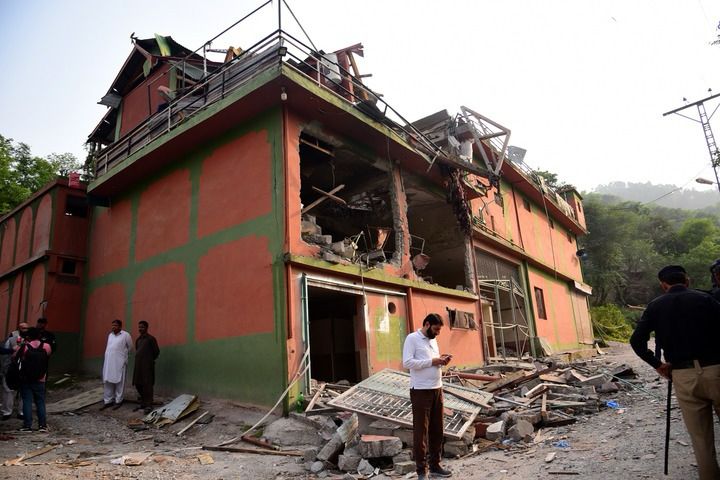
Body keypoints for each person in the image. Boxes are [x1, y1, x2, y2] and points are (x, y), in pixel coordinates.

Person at [630, 265, 720, 480]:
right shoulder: (706, 300)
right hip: (717, 370)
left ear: (663, 285)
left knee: (700, 438)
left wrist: (658, 364)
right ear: (687, 280)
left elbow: (636, 341)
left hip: (682, 374)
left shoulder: (655, 306)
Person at [402, 313, 453, 479]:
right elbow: (407, 363)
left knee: (437, 429)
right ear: (427, 324)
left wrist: (441, 361)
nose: (438, 333)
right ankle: (421, 470)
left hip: (437, 388)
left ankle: (435, 466)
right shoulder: (412, 339)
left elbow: (431, 361)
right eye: (436, 329)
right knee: (421, 431)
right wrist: (432, 362)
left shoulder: (433, 340)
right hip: (420, 391)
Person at [15, 327, 51, 432]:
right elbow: (47, 357)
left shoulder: (25, 347)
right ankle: (42, 425)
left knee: (27, 401)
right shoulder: (46, 346)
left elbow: (15, 356)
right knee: (40, 401)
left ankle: (27, 425)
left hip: (26, 378)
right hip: (41, 378)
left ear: (28, 336)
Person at [101, 319, 133, 410]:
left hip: (120, 363)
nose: (113, 327)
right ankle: (108, 400)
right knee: (108, 381)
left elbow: (130, 347)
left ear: (120, 326)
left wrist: (123, 356)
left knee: (120, 382)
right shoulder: (110, 335)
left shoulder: (126, 335)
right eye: (112, 325)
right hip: (109, 362)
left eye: (115, 325)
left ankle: (118, 400)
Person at [1, 323, 28, 420]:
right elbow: (5, 355)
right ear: (19, 329)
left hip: (25, 368)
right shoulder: (11, 339)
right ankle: (7, 411)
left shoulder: (31, 340)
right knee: (8, 390)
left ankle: (21, 412)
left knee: (23, 390)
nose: (25, 330)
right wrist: (5, 368)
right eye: (23, 328)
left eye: (26, 328)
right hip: (11, 368)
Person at [132, 320, 159, 414]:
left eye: (142, 327)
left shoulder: (151, 339)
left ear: (146, 328)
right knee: (138, 384)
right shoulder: (138, 340)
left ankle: (148, 404)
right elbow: (137, 350)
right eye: (139, 327)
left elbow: (156, 352)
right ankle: (143, 402)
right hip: (138, 366)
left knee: (147, 385)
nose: (140, 329)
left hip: (147, 366)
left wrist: (149, 360)